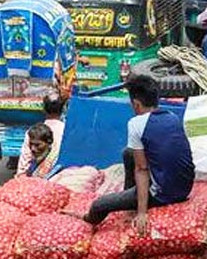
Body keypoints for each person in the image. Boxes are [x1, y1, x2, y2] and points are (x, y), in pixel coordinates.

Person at [83, 75, 195, 231]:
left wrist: (142, 212)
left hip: (163, 193)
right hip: (185, 187)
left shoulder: (136, 124)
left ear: (136, 104)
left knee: (99, 205)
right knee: (128, 153)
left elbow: (141, 170)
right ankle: (129, 196)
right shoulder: (172, 117)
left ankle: (86, 220)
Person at [16, 94, 66, 176]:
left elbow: (24, 162)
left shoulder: (32, 132)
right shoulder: (66, 133)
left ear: (44, 110)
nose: (33, 148)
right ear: (63, 110)